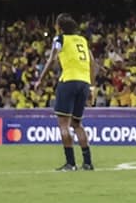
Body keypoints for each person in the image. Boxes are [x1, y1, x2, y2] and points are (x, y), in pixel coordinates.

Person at [34, 14, 95, 172]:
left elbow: (52, 59)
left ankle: (70, 163)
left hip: (68, 80)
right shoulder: (82, 40)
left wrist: (41, 79)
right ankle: (87, 163)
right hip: (84, 82)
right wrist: (92, 87)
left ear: (59, 27)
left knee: (64, 125)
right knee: (77, 124)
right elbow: (92, 63)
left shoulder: (60, 39)